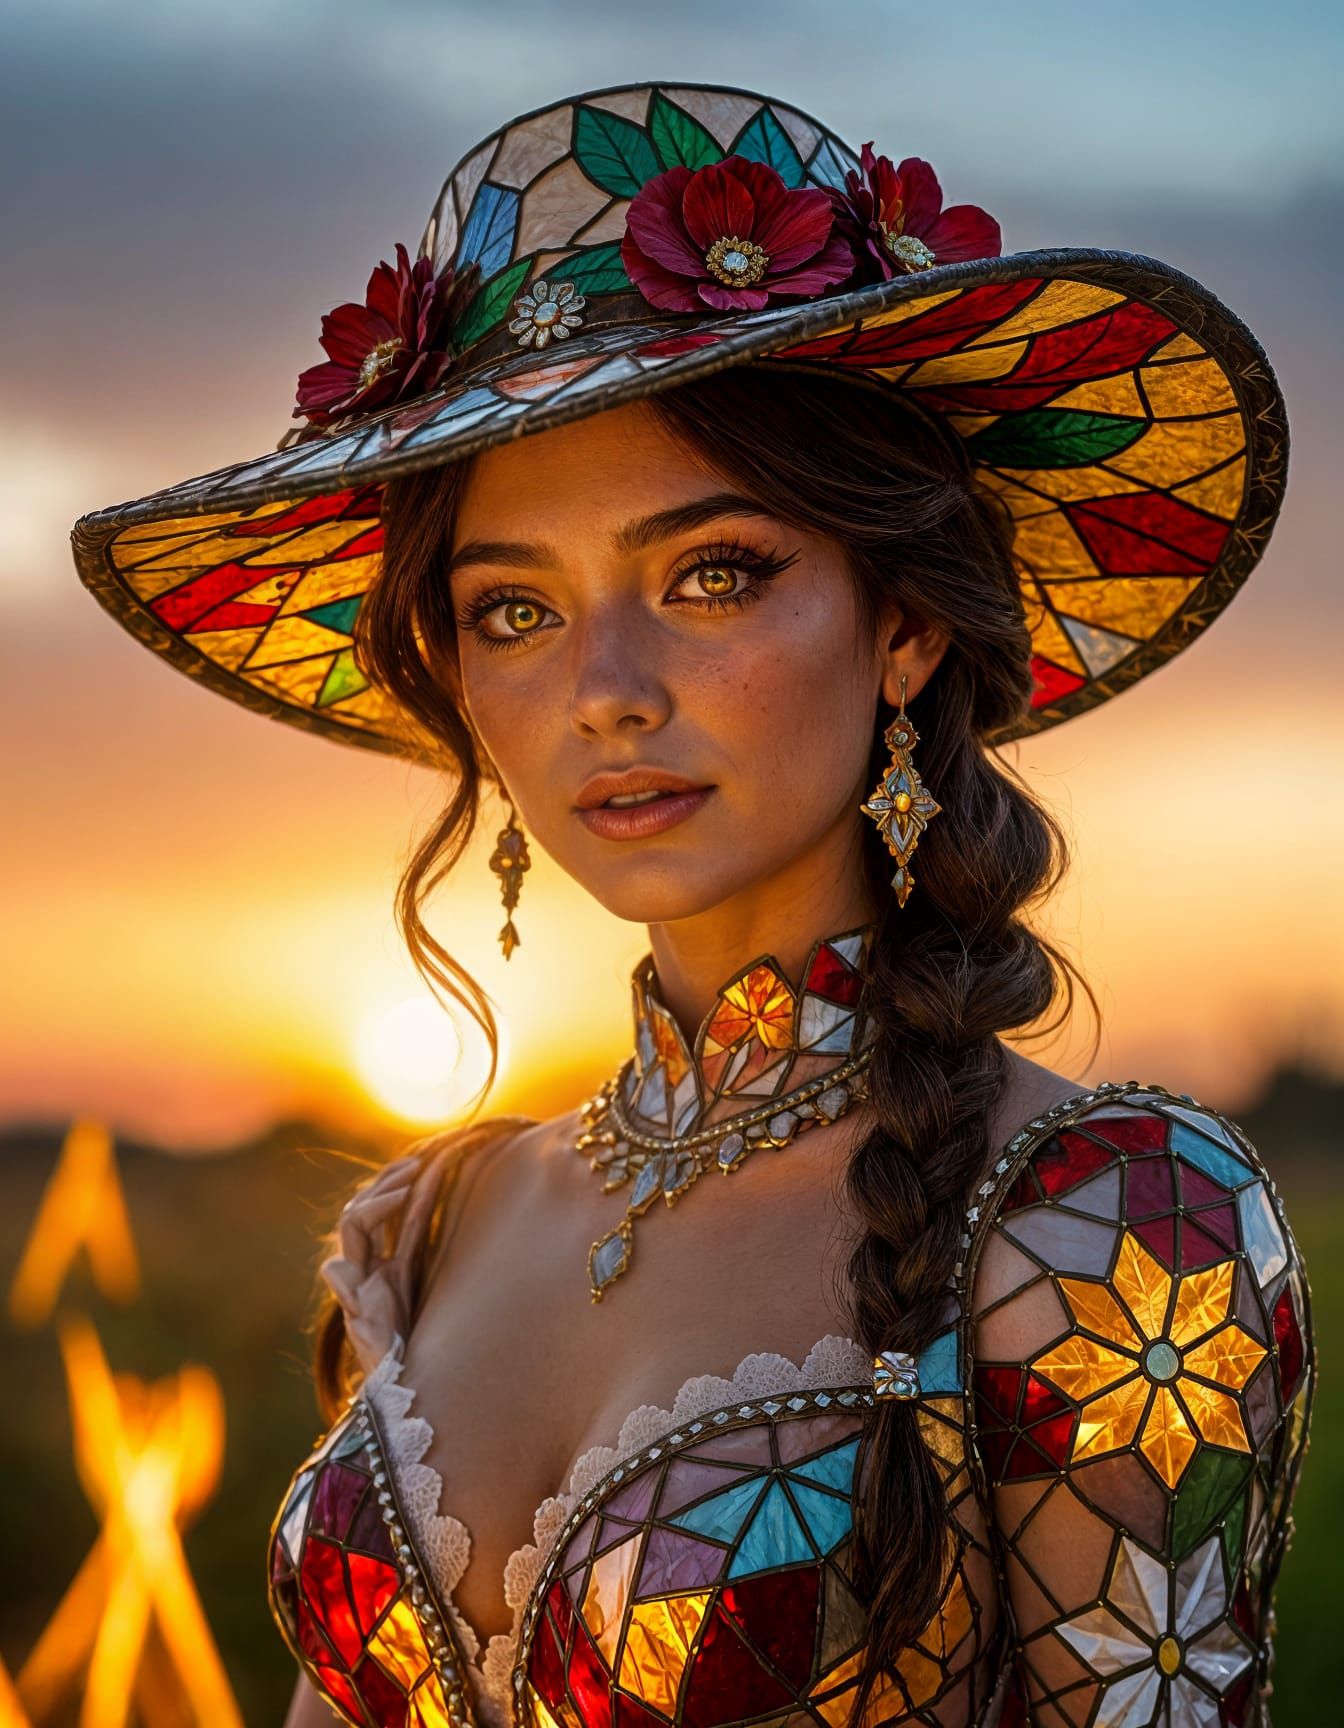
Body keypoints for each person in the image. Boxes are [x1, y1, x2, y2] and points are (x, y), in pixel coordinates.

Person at [72, 82, 1311, 1728]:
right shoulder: (428, 1230)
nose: (605, 690)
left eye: (711, 572)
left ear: (905, 629)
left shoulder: (1106, 1225)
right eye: (513, 609)